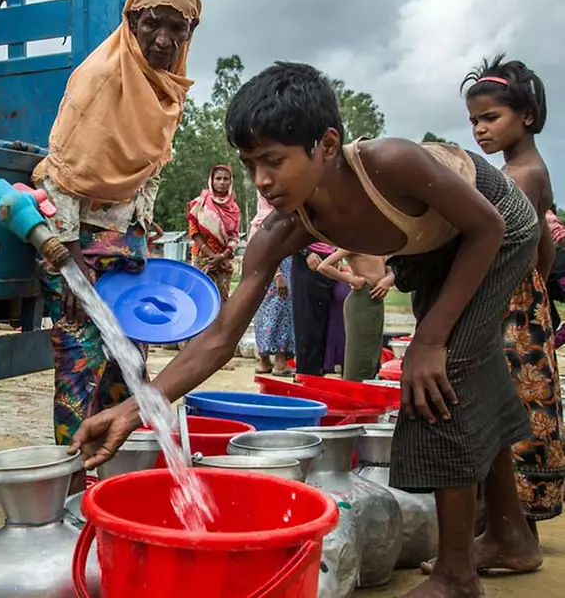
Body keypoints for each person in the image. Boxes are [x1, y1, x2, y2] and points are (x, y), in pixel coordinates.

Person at [71, 62, 543, 598]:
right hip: (434, 246)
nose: (262, 181)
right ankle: (508, 533)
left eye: (274, 161)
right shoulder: (282, 228)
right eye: (250, 165)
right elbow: (222, 337)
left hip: (496, 230)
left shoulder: (391, 163)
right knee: (466, 369)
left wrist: (429, 341)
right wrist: (134, 410)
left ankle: (457, 577)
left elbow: (489, 226)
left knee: (441, 371)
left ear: (326, 144)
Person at [31, 0, 200, 494]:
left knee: (128, 371)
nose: (164, 39)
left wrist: (140, 233)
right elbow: (60, 175)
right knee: (81, 365)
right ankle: (74, 490)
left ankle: (116, 482)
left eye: (178, 28)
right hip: (74, 245)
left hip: (124, 250)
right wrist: (70, 264)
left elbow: (150, 169)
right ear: (131, 18)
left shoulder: (166, 88)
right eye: (153, 24)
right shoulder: (100, 77)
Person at [459, 54, 564, 541]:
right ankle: (508, 529)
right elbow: (541, 246)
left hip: (508, 310)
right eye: (474, 120)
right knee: (518, 409)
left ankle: (508, 534)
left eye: (490, 118)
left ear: (526, 116)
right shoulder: (529, 171)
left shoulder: (519, 177)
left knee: (508, 413)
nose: (479, 129)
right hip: (525, 309)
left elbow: (493, 247)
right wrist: (534, 290)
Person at [317, 250, 394, 381]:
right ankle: (353, 389)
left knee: (373, 355)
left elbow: (391, 270)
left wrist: (387, 280)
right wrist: (350, 278)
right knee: (359, 355)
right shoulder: (354, 242)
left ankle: (368, 391)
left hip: (376, 300)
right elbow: (324, 266)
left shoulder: (379, 244)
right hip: (361, 299)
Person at [248, 192, 295, 376]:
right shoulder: (265, 221)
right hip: (277, 272)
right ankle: (278, 363)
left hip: (272, 273)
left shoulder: (282, 217)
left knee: (271, 313)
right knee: (278, 313)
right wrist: (277, 275)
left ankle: (266, 361)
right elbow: (265, 252)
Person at [188, 164, 241, 301]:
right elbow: (194, 231)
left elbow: (235, 237)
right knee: (200, 299)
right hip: (202, 258)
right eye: (218, 178)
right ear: (211, 180)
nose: (222, 182)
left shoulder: (234, 209)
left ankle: (222, 324)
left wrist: (222, 257)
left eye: (226, 179)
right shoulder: (200, 203)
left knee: (222, 300)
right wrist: (212, 256)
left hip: (223, 261)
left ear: (231, 181)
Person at [291, 241, 336, 376]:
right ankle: (304, 373)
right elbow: (293, 233)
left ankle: (318, 371)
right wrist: (306, 253)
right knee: (306, 319)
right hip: (307, 259)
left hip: (328, 259)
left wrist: (336, 254)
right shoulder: (304, 218)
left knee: (324, 319)